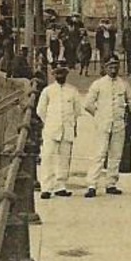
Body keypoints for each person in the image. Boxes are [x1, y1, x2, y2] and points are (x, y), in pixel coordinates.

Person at [83, 55, 131, 197]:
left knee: (116, 155)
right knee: (99, 154)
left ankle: (111, 183)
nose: (113, 69)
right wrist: (99, 115)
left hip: (119, 124)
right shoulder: (98, 84)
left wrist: (124, 115)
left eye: (115, 66)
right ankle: (92, 184)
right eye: (110, 66)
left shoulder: (123, 84)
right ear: (104, 67)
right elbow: (88, 104)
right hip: (103, 124)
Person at [36, 61, 84, 198]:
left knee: (64, 158)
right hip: (51, 129)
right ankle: (46, 187)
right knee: (48, 157)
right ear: (53, 74)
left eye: (62, 73)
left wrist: (71, 125)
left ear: (66, 74)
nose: (60, 75)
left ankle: (60, 186)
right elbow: (41, 110)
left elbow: (77, 111)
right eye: (57, 73)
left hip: (67, 129)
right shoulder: (48, 91)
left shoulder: (72, 91)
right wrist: (50, 122)